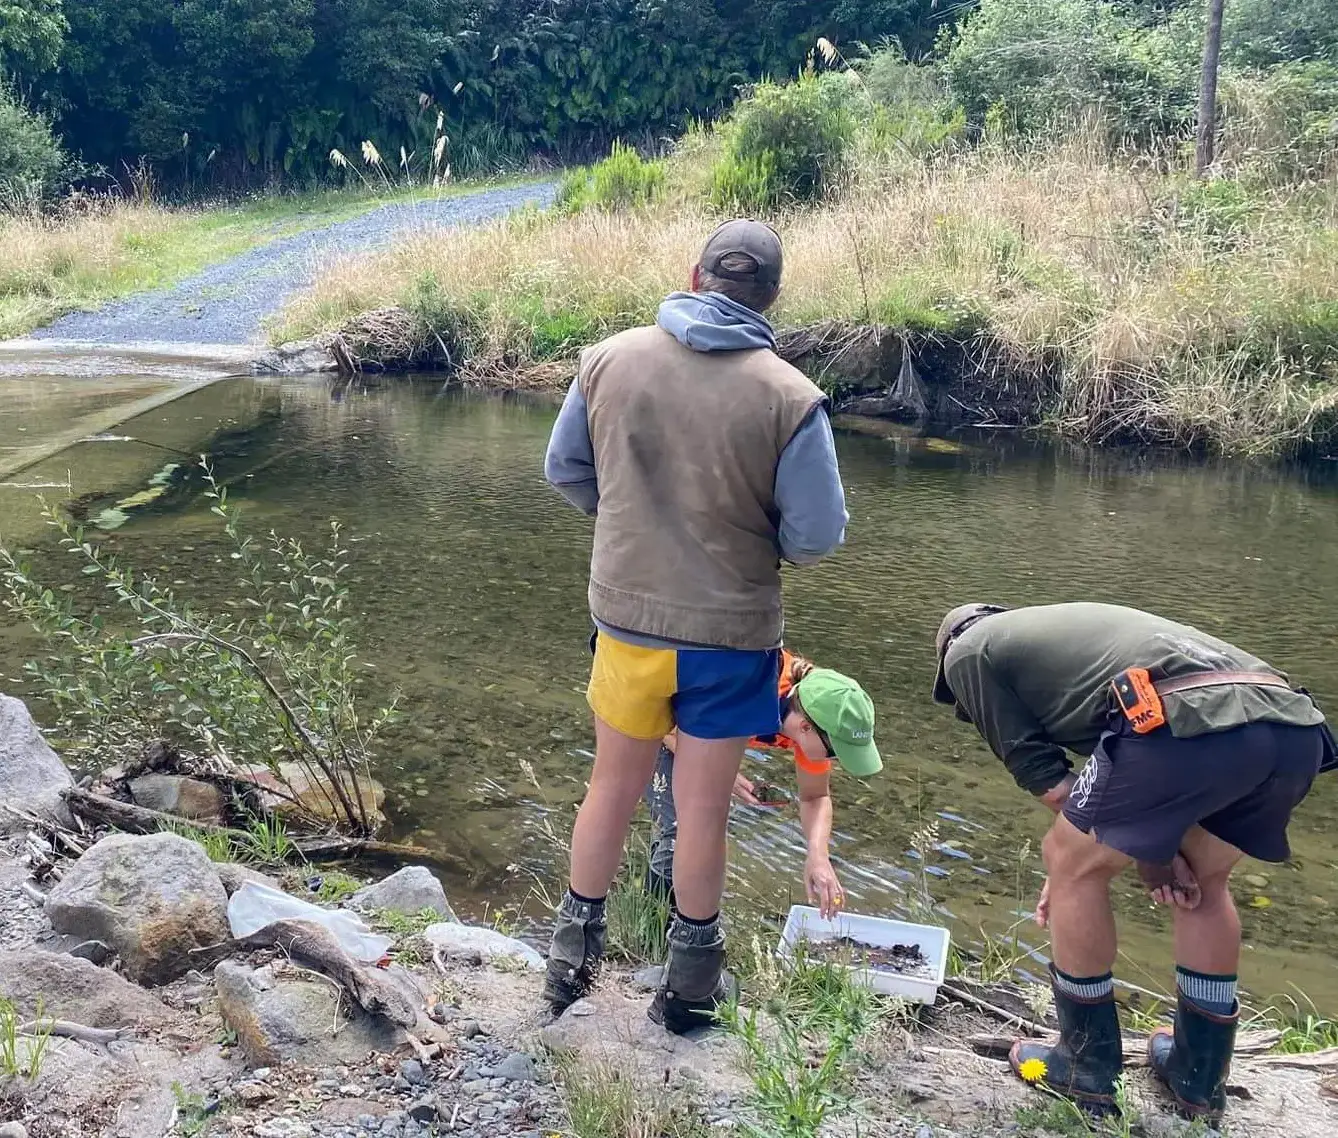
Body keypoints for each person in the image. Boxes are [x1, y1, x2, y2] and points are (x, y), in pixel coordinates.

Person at [542, 219, 849, 1034]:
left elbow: (564, 469)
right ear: (771, 296)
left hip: (627, 621)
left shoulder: (606, 359)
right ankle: (688, 991)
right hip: (731, 636)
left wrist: (628, 525)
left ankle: (568, 966)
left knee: (610, 788)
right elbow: (817, 537)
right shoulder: (791, 396)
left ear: (694, 275)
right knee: (702, 812)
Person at [931, 602, 1330, 1122]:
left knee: (1068, 861)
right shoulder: (1057, 637)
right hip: (1292, 725)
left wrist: (1086, 865)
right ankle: (1198, 1078)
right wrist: (1150, 847)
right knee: (1204, 883)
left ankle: (1086, 1065)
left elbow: (1053, 784)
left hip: (1183, 722)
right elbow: (1126, 791)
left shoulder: (966, 653)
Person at [642, 646, 882, 919]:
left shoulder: (813, 711)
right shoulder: (745, 690)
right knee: (684, 830)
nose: (834, 760)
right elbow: (666, 725)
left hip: (699, 732)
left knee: (697, 829)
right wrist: (722, 774)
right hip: (657, 720)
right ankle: (657, 926)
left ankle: (679, 912)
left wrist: (818, 856)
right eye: (834, 752)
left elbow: (815, 796)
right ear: (805, 728)